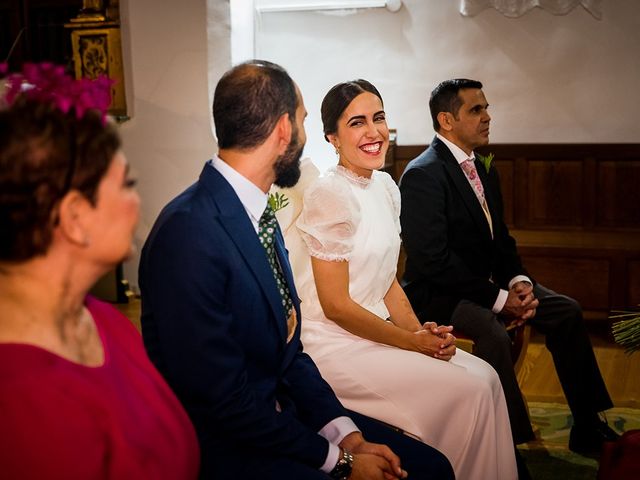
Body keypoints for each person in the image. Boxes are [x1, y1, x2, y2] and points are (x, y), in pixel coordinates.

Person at [138, 60, 454, 480]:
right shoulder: (189, 233)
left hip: (279, 414)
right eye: (304, 120)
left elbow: (290, 355)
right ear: (285, 129)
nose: (305, 136)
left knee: (431, 466)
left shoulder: (260, 217)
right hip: (227, 446)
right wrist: (337, 461)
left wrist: (347, 436)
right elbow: (221, 400)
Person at [284, 79, 517, 480]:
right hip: (336, 345)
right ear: (332, 137)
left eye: (378, 118)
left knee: (486, 376)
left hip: (378, 330)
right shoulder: (330, 195)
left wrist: (419, 329)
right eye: (357, 123)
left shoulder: (387, 187)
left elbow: (388, 280)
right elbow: (337, 306)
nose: (373, 132)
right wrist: (410, 342)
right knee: (469, 389)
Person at [398, 78, 619, 455]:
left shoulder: (483, 167)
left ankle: (586, 424)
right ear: (446, 120)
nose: (488, 117)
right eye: (476, 109)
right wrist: (500, 300)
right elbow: (433, 260)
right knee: (494, 333)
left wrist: (519, 282)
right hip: (440, 294)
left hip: (488, 283)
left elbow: (500, 239)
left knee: (566, 310)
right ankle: (508, 444)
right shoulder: (423, 174)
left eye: (486, 108)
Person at [0, 63, 199, 479]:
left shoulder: (106, 322)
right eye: (127, 184)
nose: (138, 202)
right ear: (74, 217)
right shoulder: (19, 402)